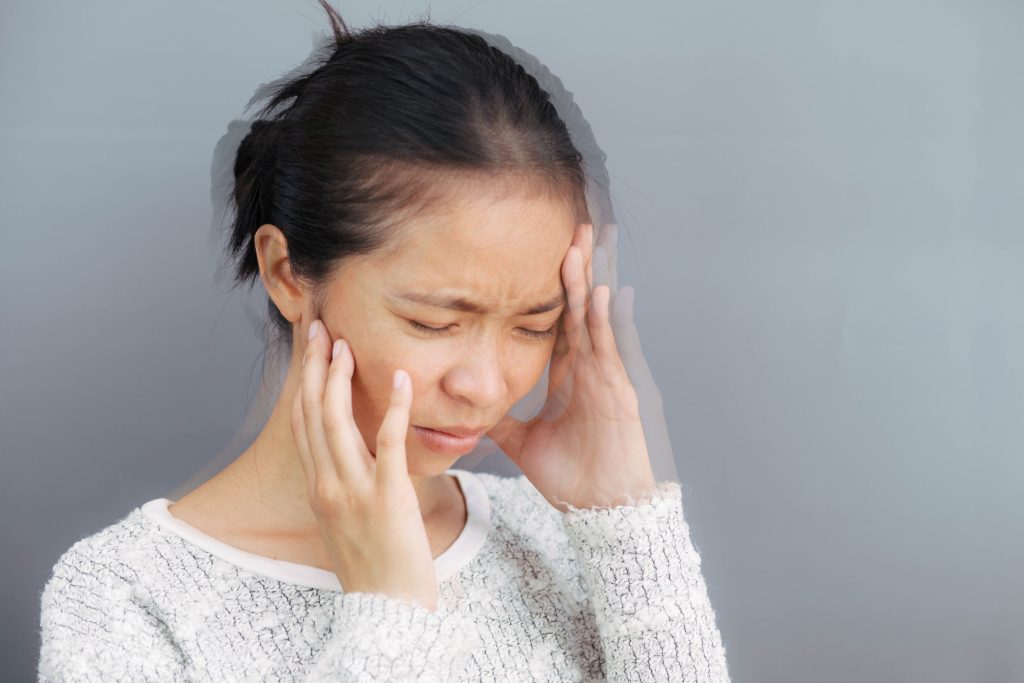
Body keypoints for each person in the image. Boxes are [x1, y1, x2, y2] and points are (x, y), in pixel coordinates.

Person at [37, 3, 731, 680]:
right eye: (435, 321)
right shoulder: (124, 602)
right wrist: (390, 616)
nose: (487, 387)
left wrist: (626, 526)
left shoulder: (563, 541)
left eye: (534, 325)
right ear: (286, 273)